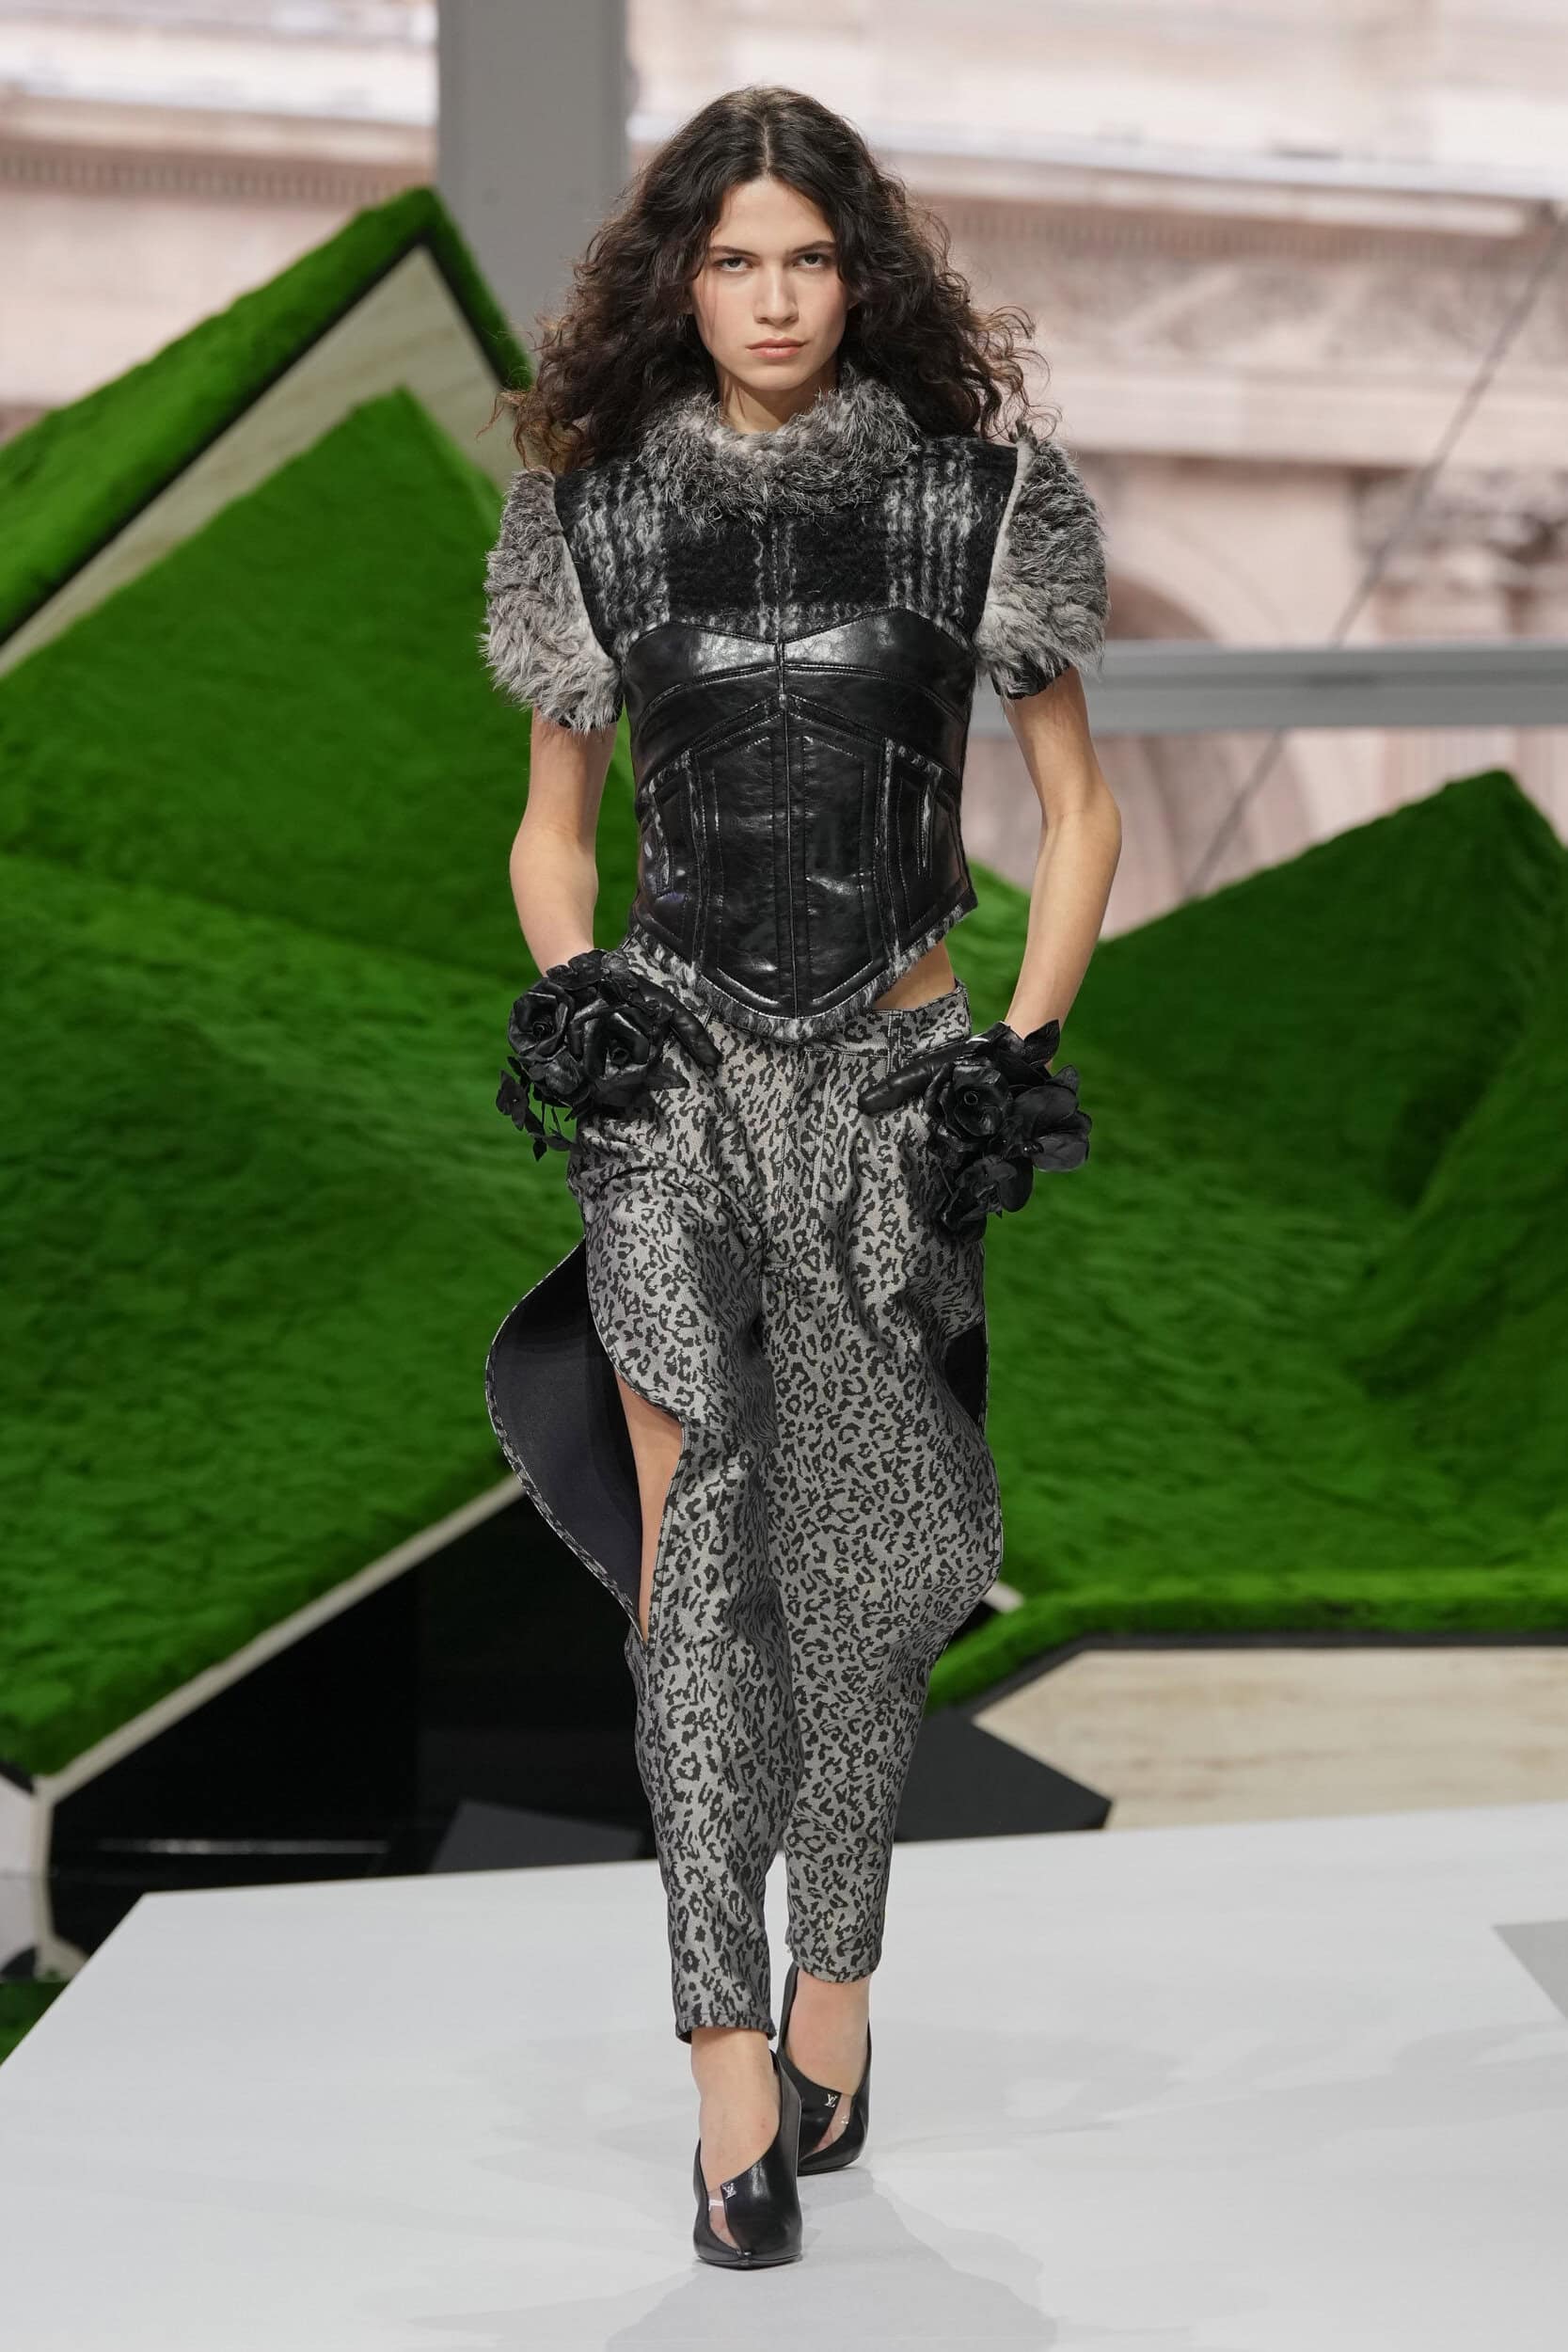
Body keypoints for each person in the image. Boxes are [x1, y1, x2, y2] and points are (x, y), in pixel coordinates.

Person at [479, 85, 1119, 2269]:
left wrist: (1015, 1052)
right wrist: (579, 997)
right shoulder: (591, 514)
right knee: (699, 1564)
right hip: (669, 1073)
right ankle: (726, 2067)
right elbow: (552, 832)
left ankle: (834, 1973)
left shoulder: (977, 500)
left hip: (897, 1079)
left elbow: (1081, 810)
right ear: (679, 276)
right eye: (734, 258)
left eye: (809, 258)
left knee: (871, 1564)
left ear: (864, 273)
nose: (771, 299)